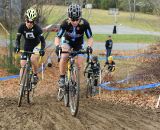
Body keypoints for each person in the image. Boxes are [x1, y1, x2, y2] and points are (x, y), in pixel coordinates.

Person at [54, 4, 93, 87]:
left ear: (80, 17)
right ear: (69, 17)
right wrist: (57, 46)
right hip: (67, 42)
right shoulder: (65, 23)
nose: (75, 22)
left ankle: (74, 83)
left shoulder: (84, 24)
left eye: (77, 19)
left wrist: (89, 47)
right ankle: (62, 78)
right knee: (64, 56)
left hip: (79, 44)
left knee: (79, 64)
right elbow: (57, 37)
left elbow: (90, 38)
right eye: (72, 19)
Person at [14, 8, 46, 84]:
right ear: (25, 19)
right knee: (23, 64)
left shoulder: (37, 29)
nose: (29, 24)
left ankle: (35, 75)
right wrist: (17, 46)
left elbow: (43, 41)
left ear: (34, 21)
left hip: (36, 46)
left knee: (33, 59)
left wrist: (42, 49)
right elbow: (17, 39)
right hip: (27, 46)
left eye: (31, 22)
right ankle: (21, 84)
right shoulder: (21, 27)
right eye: (28, 21)